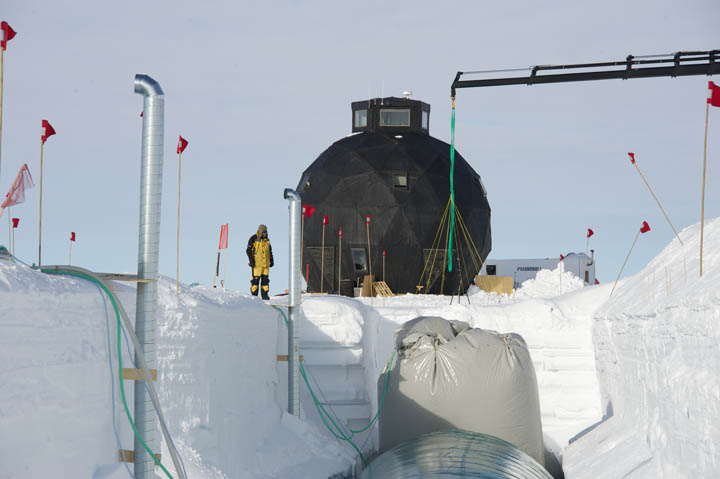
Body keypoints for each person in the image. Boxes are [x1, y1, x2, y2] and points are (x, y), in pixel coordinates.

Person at [246, 224, 274, 299]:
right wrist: (251, 261)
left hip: (266, 265)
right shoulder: (253, 239)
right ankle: (254, 297)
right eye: (264, 232)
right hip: (257, 265)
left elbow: (270, 251)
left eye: (266, 232)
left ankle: (265, 296)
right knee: (255, 281)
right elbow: (248, 250)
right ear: (260, 231)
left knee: (265, 281)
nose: (265, 233)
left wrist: (271, 260)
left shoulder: (267, 240)